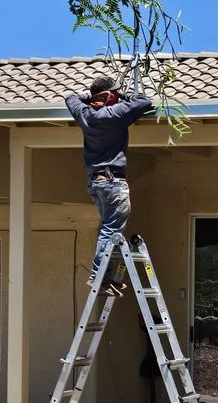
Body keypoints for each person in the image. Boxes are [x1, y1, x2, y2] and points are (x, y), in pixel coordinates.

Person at [65, 75, 153, 295]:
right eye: (114, 93)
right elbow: (143, 101)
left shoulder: (84, 114)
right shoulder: (114, 114)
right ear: (109, 96)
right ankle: (99, 277)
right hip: (112, 182)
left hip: (96, 182)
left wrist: (91, 98)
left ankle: (107, 276)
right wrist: (123, 95)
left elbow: (70, 98)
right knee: (110, 231)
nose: (117, 96)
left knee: (108, 230)